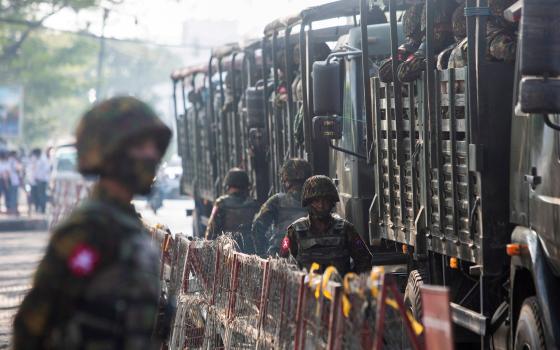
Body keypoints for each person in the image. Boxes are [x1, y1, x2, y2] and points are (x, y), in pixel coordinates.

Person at [12, 96, 172, 349]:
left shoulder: (127, 225)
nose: (152, 155)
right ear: (110, 151)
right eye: (140, 146)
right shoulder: (90, 231)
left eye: (154, 147)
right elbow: (35, 322)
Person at [279, 175, 372, 276]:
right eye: (316, 201)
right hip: (307, 288)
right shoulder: (294, 231)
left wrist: (351, 282)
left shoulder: (346, 229)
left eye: (325, 201)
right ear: (308, 203)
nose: (321, 205)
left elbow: (364, 258)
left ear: (331, 202)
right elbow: (284, 261)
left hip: (339, 289)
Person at [252, 159, 312, 256]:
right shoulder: (318, 201)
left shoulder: (277, 200)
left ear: (286, 182)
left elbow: (257, 226)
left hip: (280, 256)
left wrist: (261, 253)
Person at [205, 168, 260, 253]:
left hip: (226, 252)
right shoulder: (254, 204)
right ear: (246, 186)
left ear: (228, 185)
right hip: (250, 253)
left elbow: (211, 231)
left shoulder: (220, 203)